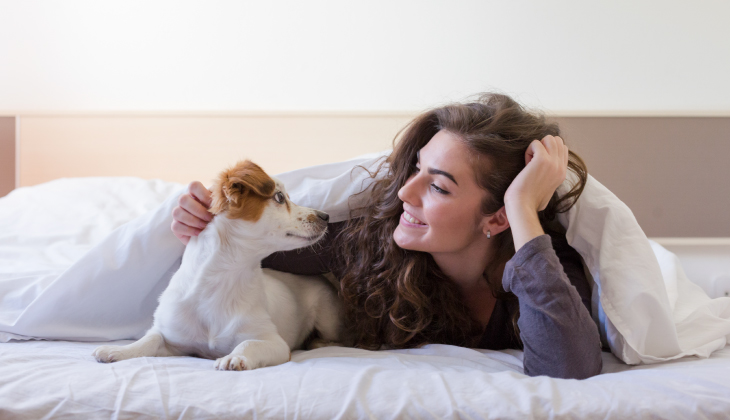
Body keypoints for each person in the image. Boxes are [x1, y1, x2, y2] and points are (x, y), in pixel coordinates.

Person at [170, 93, 603, 379]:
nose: (404, 192)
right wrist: (207, 219)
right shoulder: (370, 244)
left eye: (438, 186)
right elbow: (247, 245)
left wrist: (524, 209)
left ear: (497, 217)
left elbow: (568, 365)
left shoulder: (547, 269)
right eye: (416, 168)